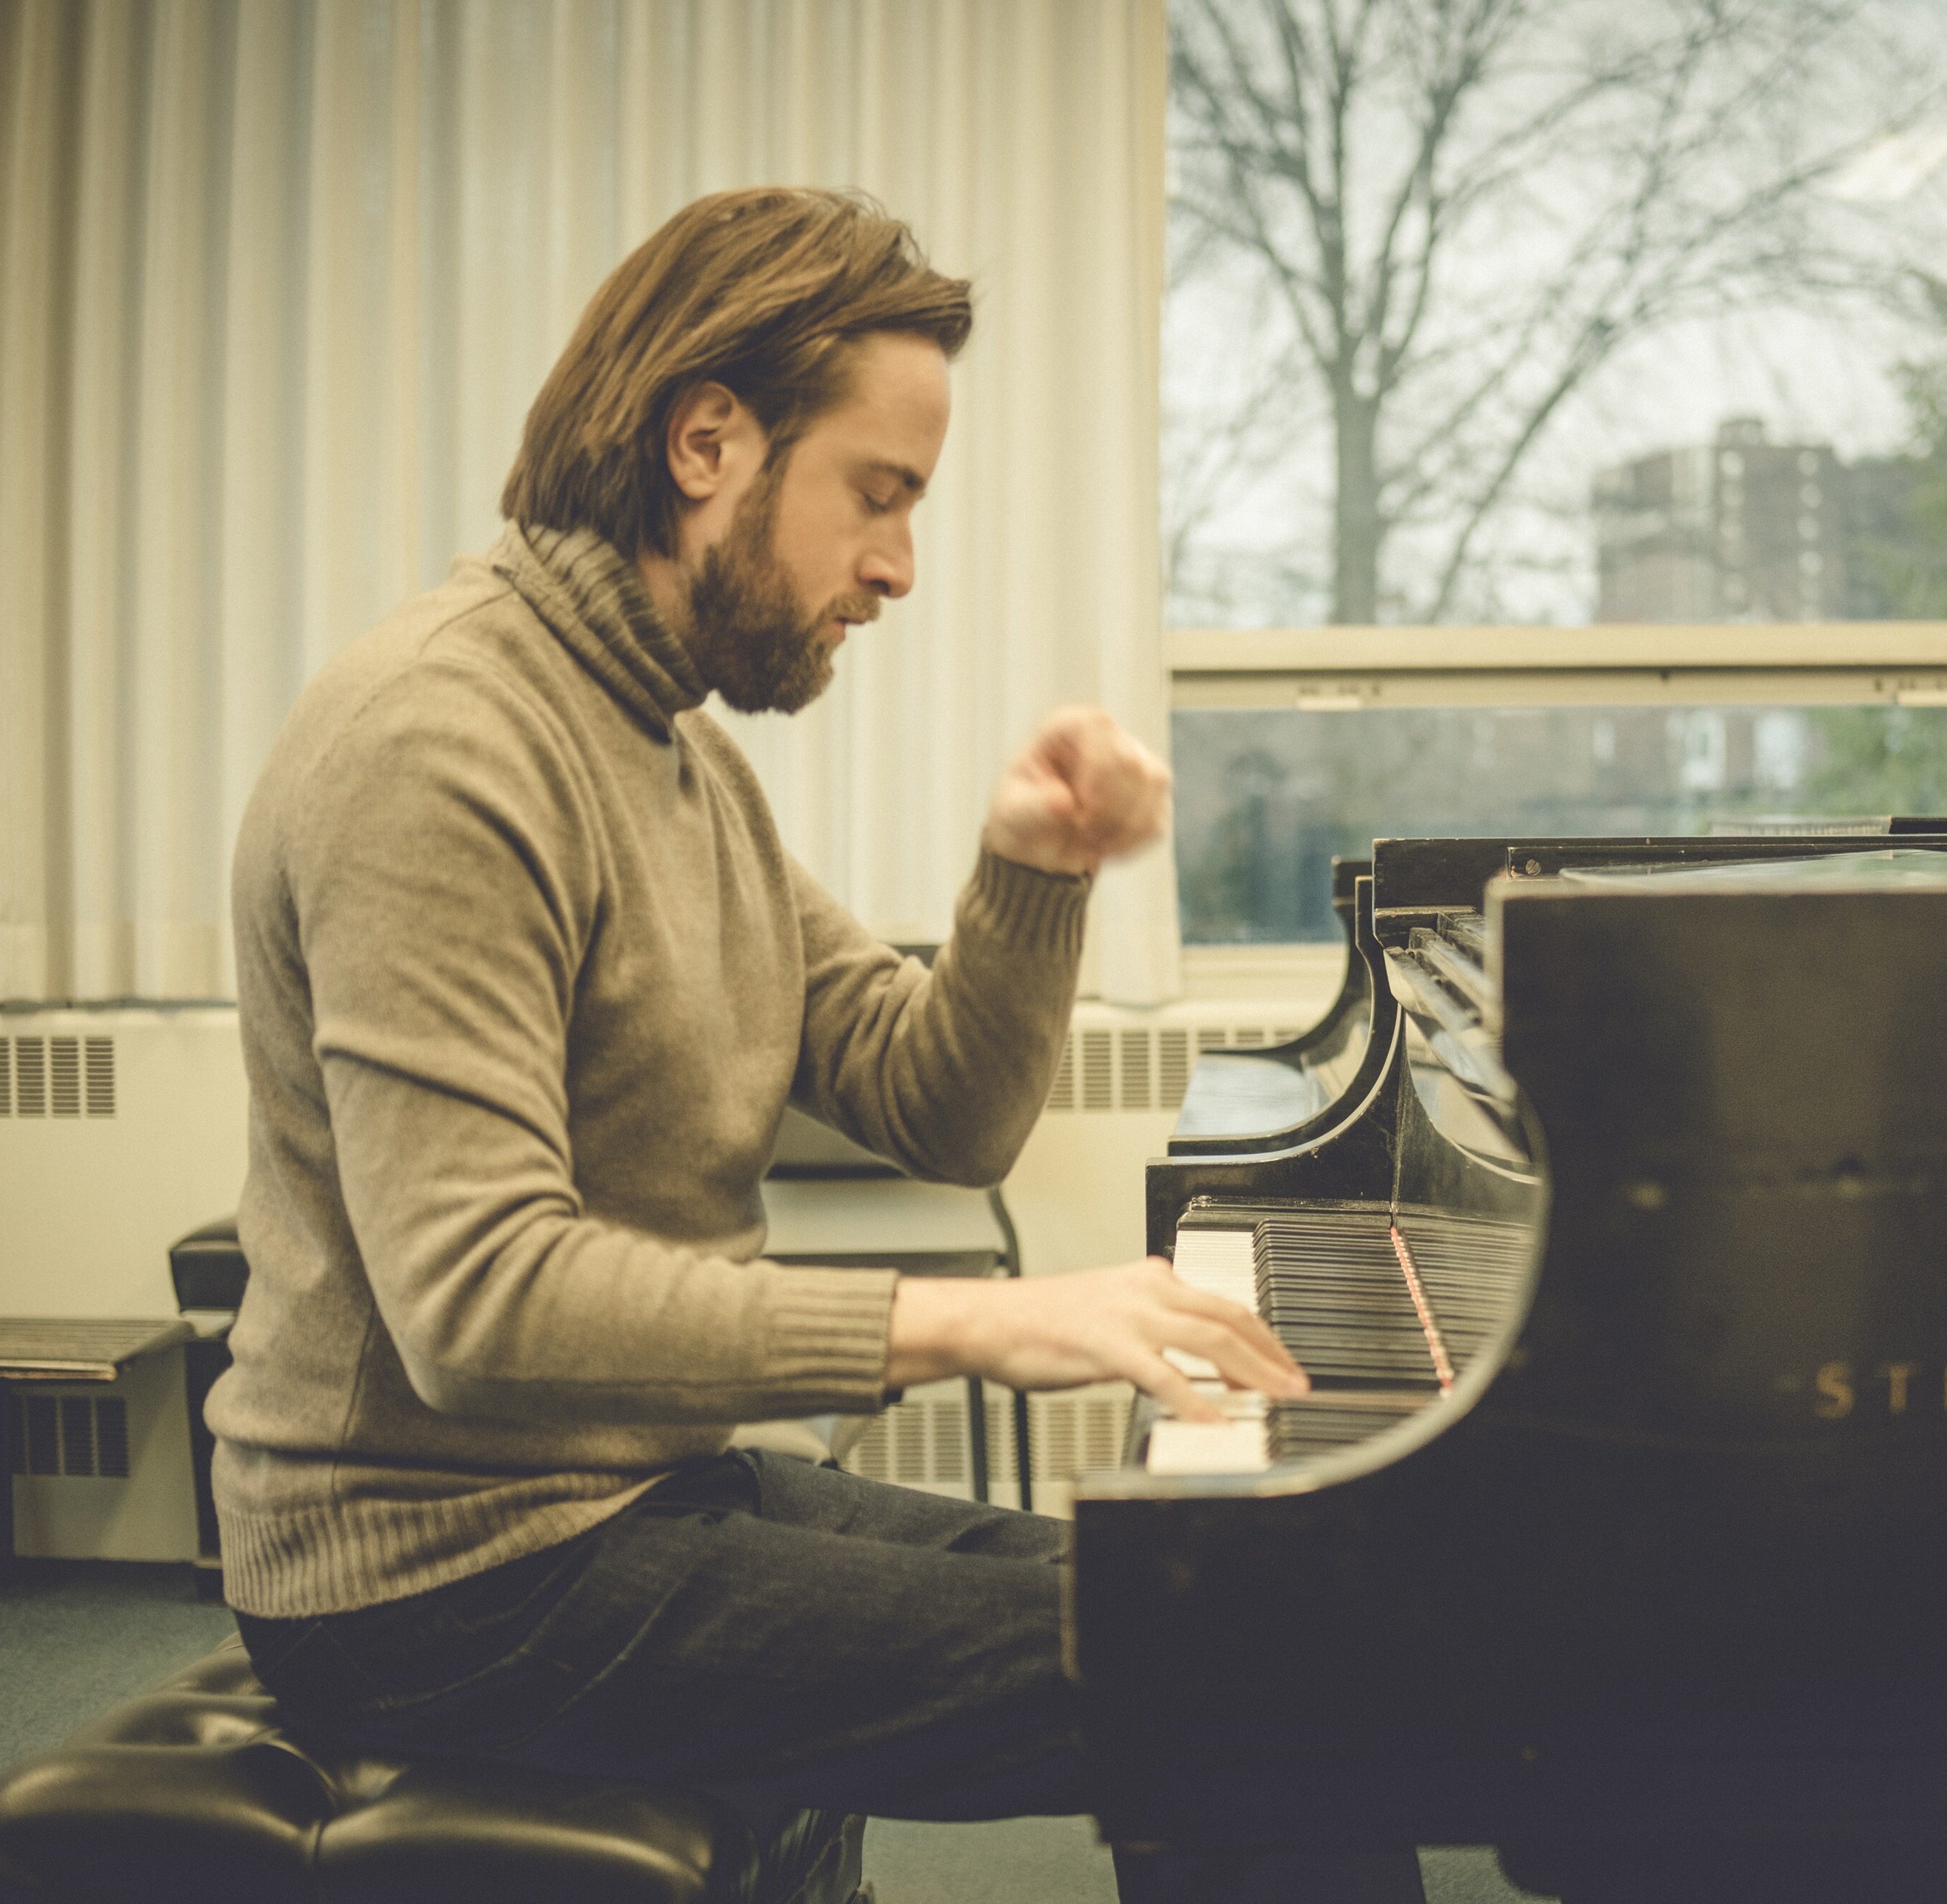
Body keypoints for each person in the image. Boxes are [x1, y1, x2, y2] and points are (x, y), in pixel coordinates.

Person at [206, 187, 1424, 1902]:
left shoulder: (675, 758)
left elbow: (946, 1113)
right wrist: (987, 1323)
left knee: (1231, 1606)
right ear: (708, 440)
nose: (899, 567)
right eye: (880, 494)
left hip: (625, 1503)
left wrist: (1030, 872)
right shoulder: (444, 740)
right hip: (442, 1578)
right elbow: (478, 1304)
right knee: (1243, 1684)